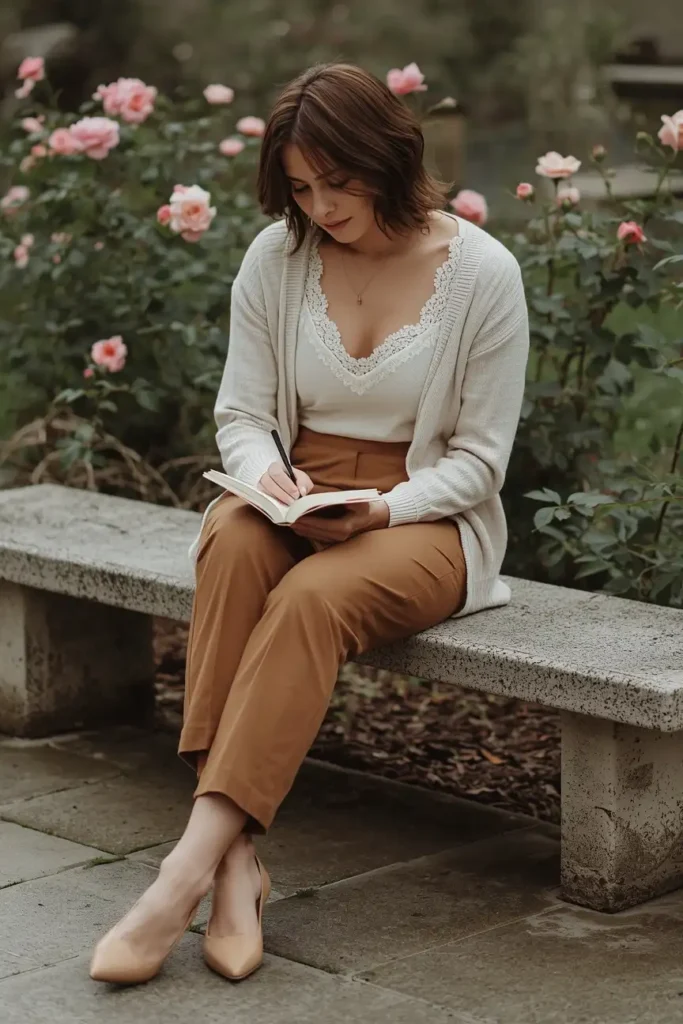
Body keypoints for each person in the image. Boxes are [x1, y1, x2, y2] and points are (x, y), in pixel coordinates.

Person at [89, 61, 529, 986]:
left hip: (428, 518)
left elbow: (480, 463)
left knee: (311, 597)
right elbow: (243, 415)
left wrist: (381, 507)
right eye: (298, 186)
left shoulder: (484, 275)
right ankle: (238, 864)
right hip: (295, 490)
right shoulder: (275, 259)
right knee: (237, 540)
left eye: (338, 180)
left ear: (389, 155)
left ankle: (177, 879)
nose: (320, 205)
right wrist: (265, 479)